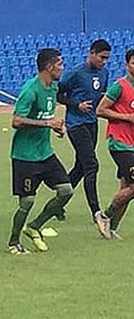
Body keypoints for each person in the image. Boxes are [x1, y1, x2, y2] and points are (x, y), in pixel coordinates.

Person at [8, 48, 74, 255]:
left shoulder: (52, 89)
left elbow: (48, 119)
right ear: (49, 66)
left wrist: (57, 128)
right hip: (25, 155)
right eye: (60, 64)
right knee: (27, 201)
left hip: (45, 153)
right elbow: (16, 121)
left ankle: (34, 226)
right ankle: (13, 242)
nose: (62, 68)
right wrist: (48, 123)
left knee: (66, 191)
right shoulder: (31, 89)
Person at [58, 39, 111, 223]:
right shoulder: (75, 73)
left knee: (81, 167)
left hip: (92, 123)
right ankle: (96, 212)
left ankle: (58, 203)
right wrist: (76, 104)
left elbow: (102, 96)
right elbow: (58, 94)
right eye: (101, 57)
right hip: (76, 124)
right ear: (92, 52)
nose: (103, 62)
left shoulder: (104, 73)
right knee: (91, 165)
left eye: (106, 59)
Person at [94, 49, 134, 240]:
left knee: (126, 188)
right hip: (120, 143)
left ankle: (111, 228)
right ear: (127, 64)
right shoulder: (120, 86)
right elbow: (100, 110)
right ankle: (104, 216)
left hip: (133, 144)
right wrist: (126, 117)